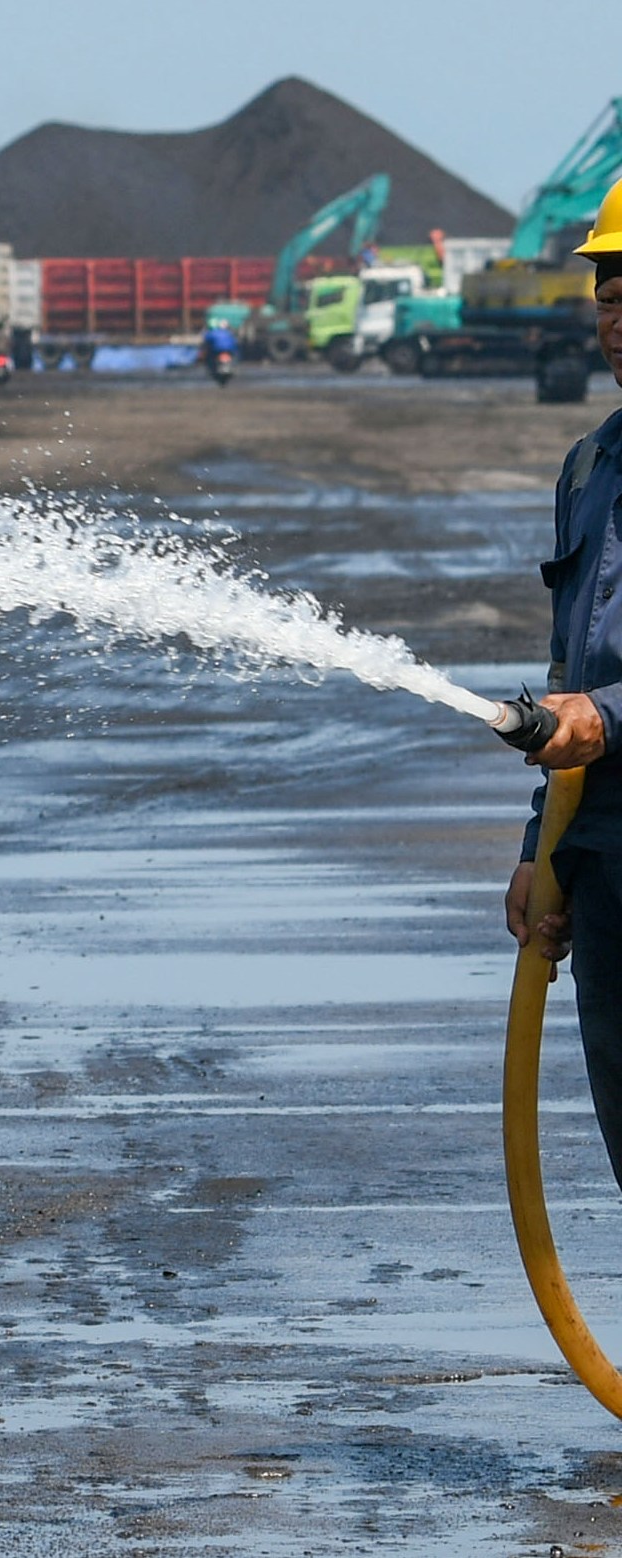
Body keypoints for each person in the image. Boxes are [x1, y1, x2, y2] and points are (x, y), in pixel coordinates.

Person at [507, 177, 622, 1181]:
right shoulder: (587, 469)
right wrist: (536, 851)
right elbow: (565, 677)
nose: (619, 317)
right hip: (599, 862)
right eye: (610, 290)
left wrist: (609, 719)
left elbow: (595, 707)